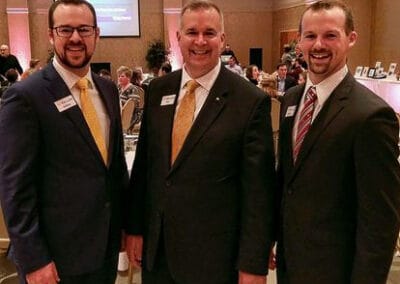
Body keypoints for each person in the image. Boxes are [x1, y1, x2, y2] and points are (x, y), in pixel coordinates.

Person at [125, 1, 276, 284]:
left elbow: (259, 192)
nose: (200, 41)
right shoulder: (158, 90)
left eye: (209, 33)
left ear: (223, 39)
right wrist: (134, 229)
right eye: (192, 32)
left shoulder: (249, 101)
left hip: (216, 259)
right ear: (178, 38)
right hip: (158, 254)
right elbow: (146, 165)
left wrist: (253, 264)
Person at [0, 1, 129, 283]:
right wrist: (34, 260)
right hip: (54, 260)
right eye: (65, 29)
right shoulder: (25, 97)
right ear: (51, 35)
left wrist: (123, 227)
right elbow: (14, 188)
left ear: (97, 33)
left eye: (83, 29)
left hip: (103, 250)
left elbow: (114, 168)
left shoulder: (107, 89)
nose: (75, 38)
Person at [275, 1, 400, 283]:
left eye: (330, 35)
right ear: (300, 42)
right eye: (310, 36)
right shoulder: (292, 99)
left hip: (337, 272)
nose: (318, 45)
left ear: (351, 38)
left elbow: (380, 222)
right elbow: (288, 181)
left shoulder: (371, 115)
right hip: (290, 265)